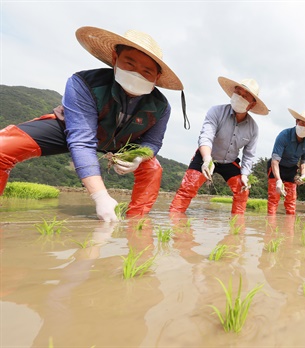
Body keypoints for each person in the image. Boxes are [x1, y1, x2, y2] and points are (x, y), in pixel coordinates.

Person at [0, 26, 185, 222]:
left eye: (147, 71)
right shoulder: (85, 83)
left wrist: (138, 158)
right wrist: (100, 196)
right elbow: (82, 140)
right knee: (4, 147)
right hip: (71, 129)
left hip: (122, 143)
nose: (137, 74)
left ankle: (135, 223)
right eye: (129, 64)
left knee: (152, 168)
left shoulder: (161, 106)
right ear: (115, 59)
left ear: (156, 78)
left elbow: (153, 142)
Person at [169, 76, 268, 215]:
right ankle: (174, 219)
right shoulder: (216, 111)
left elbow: (249, 155)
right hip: (207, 157)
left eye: (245, 96)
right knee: (188, 187)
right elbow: (206, 136)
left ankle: (236, 226)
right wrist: (207, 159)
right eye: (238, 92)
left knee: (242, 190)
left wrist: (245, 174)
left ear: (251, 105)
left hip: (230, 161)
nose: (240, 97)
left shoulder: (253, 128)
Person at [267, 109, 305, 215]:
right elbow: (275, 160)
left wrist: (303, 174)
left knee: (291, 199)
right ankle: (270, 223)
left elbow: (304, 160)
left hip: (291, 168)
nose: (304, 127)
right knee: (274, 197)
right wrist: (278, 180)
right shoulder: (284, 135)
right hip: (277, 166)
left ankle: (290, 227)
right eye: (302, 122)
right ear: (296, 121)